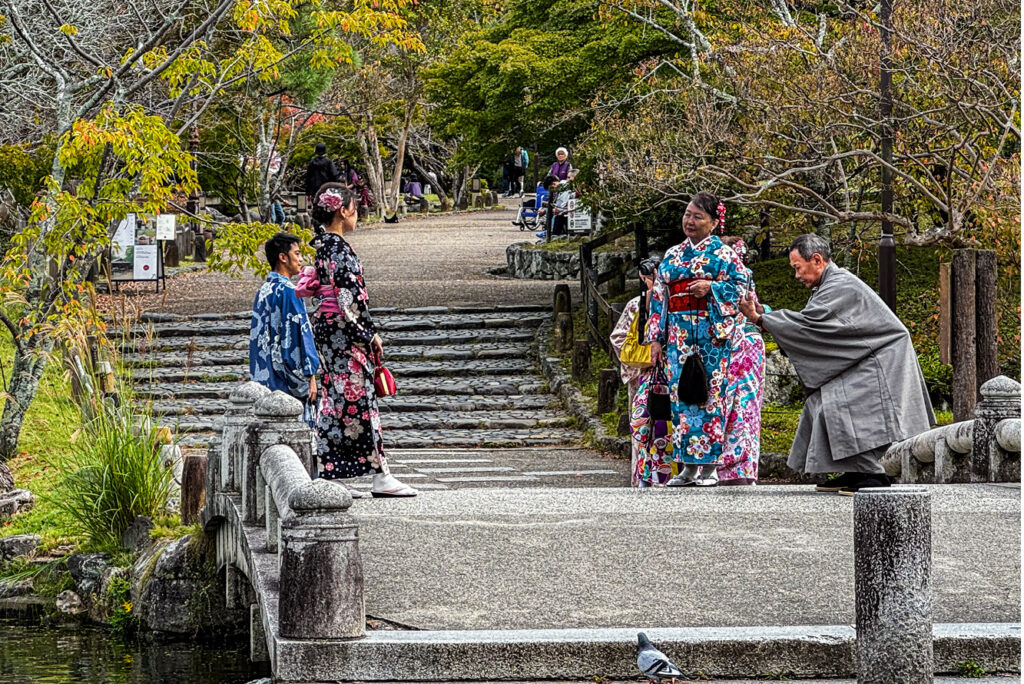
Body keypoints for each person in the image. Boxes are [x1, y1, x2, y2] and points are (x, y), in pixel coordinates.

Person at [738, 233, 935, 495]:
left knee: (837, 403)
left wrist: (764, 319)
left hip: (881, 361)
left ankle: (873, 474)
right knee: (822, 401)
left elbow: (811, 327)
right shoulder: (831, 285)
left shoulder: (840, 285)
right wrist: (766, 316)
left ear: (817, 260)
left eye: (798, 268)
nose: (796, 275)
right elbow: (812, 326)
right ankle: (855, 471)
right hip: (866, 360)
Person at [307, 182, 417, 497]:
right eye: (355, 208)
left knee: (335, 401)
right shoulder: (339, 248)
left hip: (328, 333)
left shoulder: (323, 245)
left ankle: (329, 473)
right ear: (343, 210)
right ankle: (380, 475)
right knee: (361, 400)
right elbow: (348, 298)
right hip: (344, 333)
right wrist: (369, 334)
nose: (358, 214)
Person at [646, 191, 749, 487]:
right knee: (681, 398)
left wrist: (713, 288)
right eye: (687, 215)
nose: (689, 221)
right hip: (678, 335)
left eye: (697, 217)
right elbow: (659, 297)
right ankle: (687, 467)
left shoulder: (724, 255)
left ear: (714, 223)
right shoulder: (673, 254)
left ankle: (710, 468)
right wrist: (656, 338)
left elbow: (742, 288)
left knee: (709, 396)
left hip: (711, 336)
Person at [610, 258, 673, 486]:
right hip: (665, 371)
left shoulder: (637, 304)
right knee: (664, 425)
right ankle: (664, 476)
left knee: (645, 427)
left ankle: (645, 477)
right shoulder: (668, 303)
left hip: (644, 374)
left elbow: (618, 339)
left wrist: (637, 362)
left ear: (642, 277)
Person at [249, 232, 321, 426]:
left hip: (263, 377)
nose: (301, 259)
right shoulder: (291, 292)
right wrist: (310, 375)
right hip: (287, 382)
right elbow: (301, 336)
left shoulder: (262, 292)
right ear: (283, 257)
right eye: (297, 254)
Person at [718, 236, 767, 485]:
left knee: (729, 405)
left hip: (733, 342)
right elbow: (758, 308)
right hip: (751, 342)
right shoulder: (747, 277)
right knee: (747, 409)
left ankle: (728, 465)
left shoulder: (728, 279)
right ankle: (745, 466)